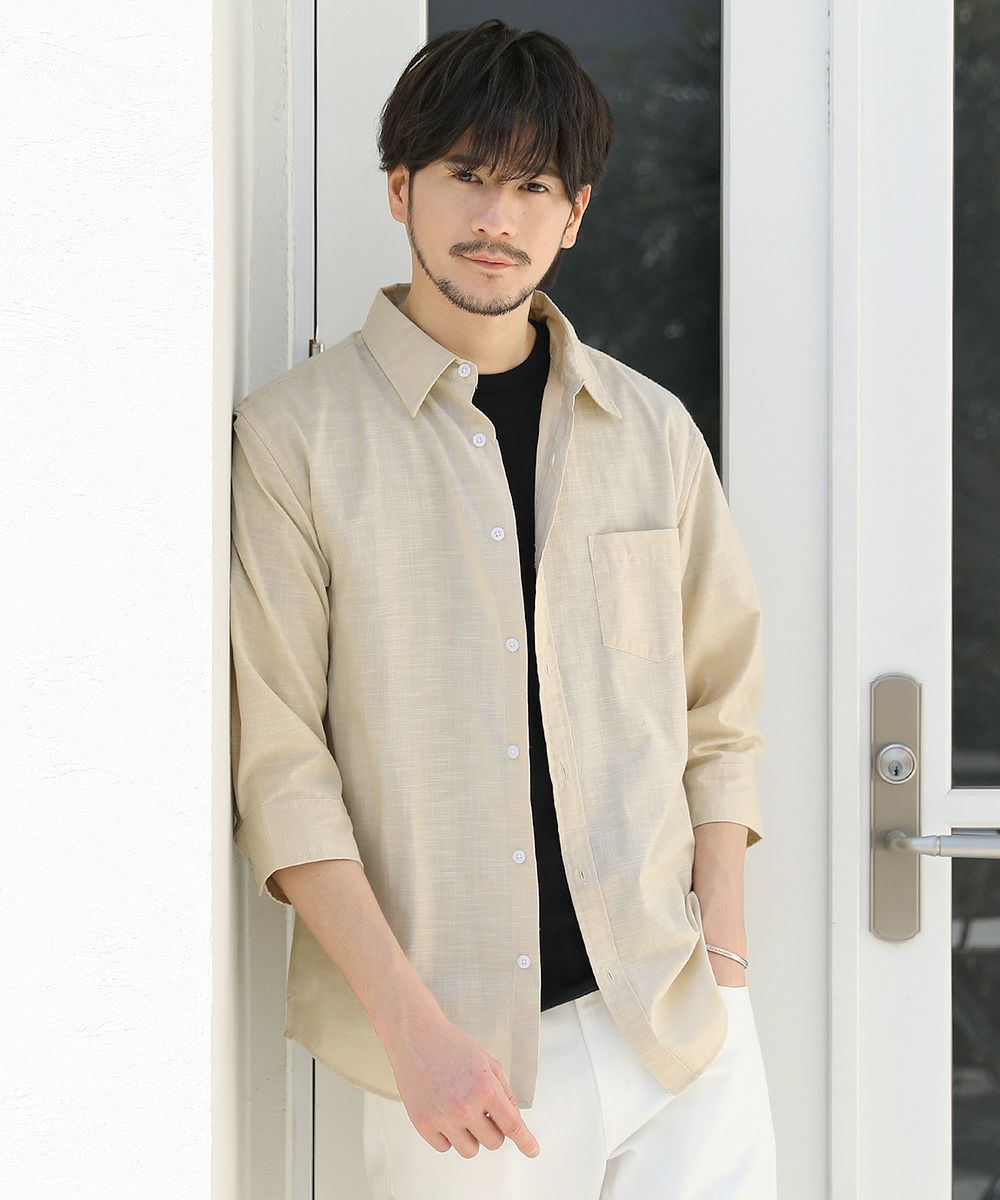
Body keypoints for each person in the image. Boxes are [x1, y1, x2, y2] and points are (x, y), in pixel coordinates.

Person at [230, 17, 778, 1199]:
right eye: (466, 175)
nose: (496, 217)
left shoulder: (652, 433)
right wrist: (410, 1032)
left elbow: (720, 714)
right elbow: (281, 771)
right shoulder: (293, 443)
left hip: (679, 1029)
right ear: (400, 189)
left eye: (532, 187)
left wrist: (725, 969)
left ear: (573, 214)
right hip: (454, 1068)